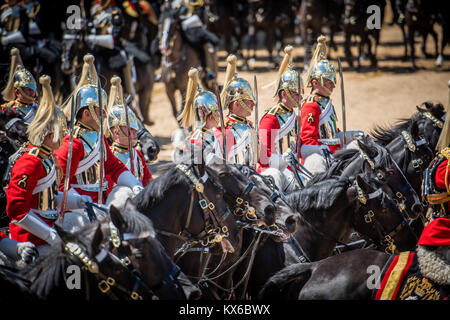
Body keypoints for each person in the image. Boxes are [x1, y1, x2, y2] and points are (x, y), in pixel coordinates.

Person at [5, 75, 90, 253]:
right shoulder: (30, 163)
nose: (65, 138)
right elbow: (17, 211)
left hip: (49, 227)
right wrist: (50, 235)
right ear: (50, 135)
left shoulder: (48, 157)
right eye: (62, 133)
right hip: (31, 239)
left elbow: (48, 198)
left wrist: (78, 202)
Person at [54, 54, 143, 207]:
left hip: (102, 202)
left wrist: (134, 184)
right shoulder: (73, 143)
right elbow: (60, 185)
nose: (105, 115)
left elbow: (114, 167)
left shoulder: (98, 138)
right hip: (80, 209)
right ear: (87, 114)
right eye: (100, 111)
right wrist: (78, 202)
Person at [299, 35, 362, 175]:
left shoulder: (326, 102)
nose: (333, 85)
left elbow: (332, 133)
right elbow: (308, 142)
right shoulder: (311, 105)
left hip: (334, 153)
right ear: (315, 83)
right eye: (328, 81)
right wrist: (328, 151)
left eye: (333, 80)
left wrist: (351, 135)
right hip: (321, 159)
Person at [258, 45, 303, 173]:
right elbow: (264, 158)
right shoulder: (271, 119)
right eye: (296, 93)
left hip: (294, 169)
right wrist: (283, 159)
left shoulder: (292, 114)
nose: (300, 97)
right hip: (277, 172)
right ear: (284, 94)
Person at [106, 76, 152, 187]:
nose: (135, 133)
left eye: (135, 130)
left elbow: (148, 182)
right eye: (130, 130)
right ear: (116, 133)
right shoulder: (110, 156)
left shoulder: (137, 154)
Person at [176, 67, 223, 165]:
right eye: (217, 112)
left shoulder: (210, 134)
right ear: (210, 116)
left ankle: (207, 66)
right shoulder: (197, 140)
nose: (219, 115)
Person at [220, 54, 257, 166]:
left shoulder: (248, 125)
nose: (253, 104)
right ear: (237, 104)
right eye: (248, 101)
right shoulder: (224, 128)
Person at [1, 47, 38, 125]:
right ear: (17, 92)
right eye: (28, 89)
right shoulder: (7, 109)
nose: (32, 92)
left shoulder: (39, 108)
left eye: (33, 89)